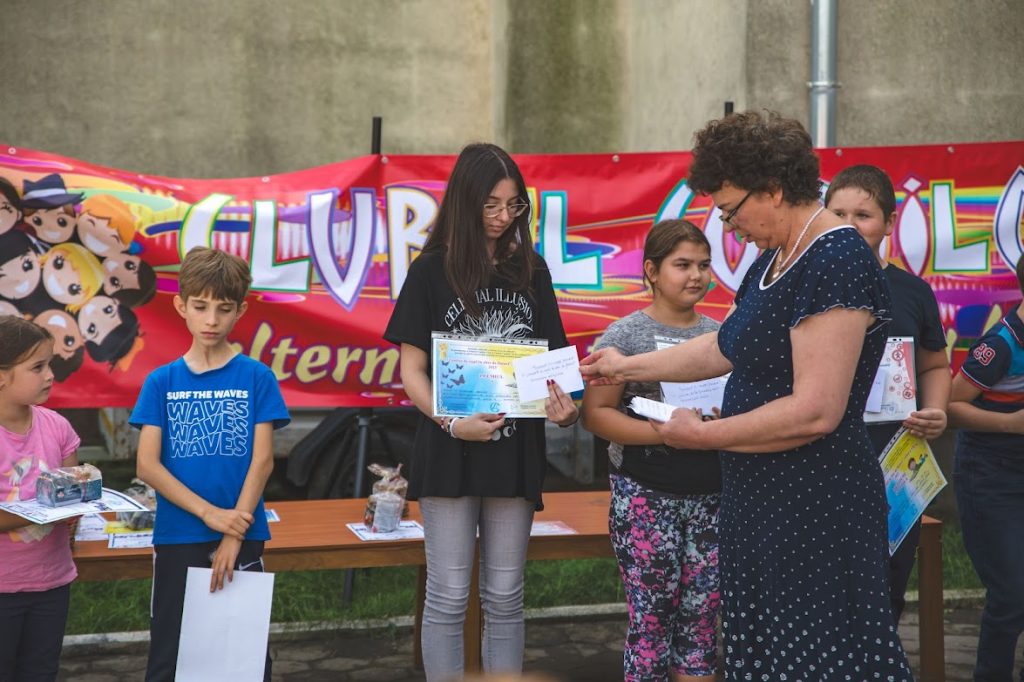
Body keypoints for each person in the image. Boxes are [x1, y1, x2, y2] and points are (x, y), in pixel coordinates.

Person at [580, 111, 913, 679]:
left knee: (817, 660)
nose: (730, 228)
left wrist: (702, 435)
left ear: (773, 190)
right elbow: (723, 346)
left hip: (812, 505)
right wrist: (624, 365)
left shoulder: (835, 258)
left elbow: (816, 411)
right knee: (767, 656)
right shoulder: (775, 257)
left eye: (731, 210)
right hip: (760, 499)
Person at [383, 143, 578, 681]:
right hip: (449, 446)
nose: (502, 217)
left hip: (515, 450)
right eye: (490, 204)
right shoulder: (431, 270)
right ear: (464, 201)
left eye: (514, 205)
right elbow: (412, 373)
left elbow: (553, 367)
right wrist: (452, 423)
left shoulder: (532, 270)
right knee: (448, 595)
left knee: (506, 595)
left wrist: (565, 410)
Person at [130, 246, 290, 682]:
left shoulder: (257, 377)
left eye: (224, 308)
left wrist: (232, 534)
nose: (211, 320)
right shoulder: (161, 381)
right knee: (170, 655)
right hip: (178, 535)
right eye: (200, 307)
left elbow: (262, 462)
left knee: (243, 658)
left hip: (242, 536)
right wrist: (210, 515)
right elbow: (147, 466)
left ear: (241, 310)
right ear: (181, 306)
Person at [582, 220, 721, 682]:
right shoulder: (624, 337)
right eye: (682, 265)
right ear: (651, 271)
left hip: (714, 497)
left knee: (703, 625)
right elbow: (596, 415)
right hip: (646, 497)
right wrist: (664, 434)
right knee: (652, 623)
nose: (696, 275)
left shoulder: (721, 336)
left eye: (703, 264)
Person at [824, 164, 950, 624]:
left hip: (895, 459)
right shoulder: (806, 285)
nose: (849, 226)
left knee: (887, 585)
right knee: (826, 585)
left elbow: (935, 365)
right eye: (837, 214)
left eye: (863, 215)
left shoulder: (912, 292)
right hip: (822, 456)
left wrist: (935, 409)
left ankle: (878, 658)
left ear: (889, 222)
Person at [947, 256, 1024, 682]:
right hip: (991, 474)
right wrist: (1011, 425)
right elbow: (950, 405)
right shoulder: (1001, 345)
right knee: (1012, 593)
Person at [0, 317, 81, 682]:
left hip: (52, 583)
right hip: (3, 588)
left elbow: (72, 494)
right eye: (37, 367)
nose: (50, 375)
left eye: (50, 364)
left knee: (41, 673)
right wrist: (45, 510)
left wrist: (82, 500)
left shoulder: (58, 427)